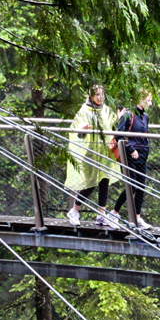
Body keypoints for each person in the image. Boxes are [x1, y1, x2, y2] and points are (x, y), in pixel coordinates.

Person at [65, 85, 118, 226]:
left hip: (104, 152)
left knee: (104, 182)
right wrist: (82, 130)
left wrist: (117, 118)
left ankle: (101, 214)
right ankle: (75, 210)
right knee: (90, 183)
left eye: (102, 94)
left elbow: (111, 125)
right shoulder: (84, 110)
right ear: (91, 96)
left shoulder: (106, 109)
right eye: (97, 95)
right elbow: (76, 132)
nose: (100, 97)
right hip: (90, 153)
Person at [111, 89, 154, 229]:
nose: (151, 103)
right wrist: (131, 149)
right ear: (140, 99)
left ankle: (137, 218)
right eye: (148, 100)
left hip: (143, 155)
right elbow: (119, 135)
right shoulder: (129, 115)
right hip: (130, 155)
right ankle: (114, 212)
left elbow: (145, 135)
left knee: (141, 186)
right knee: (132, 185)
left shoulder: (145, 116)